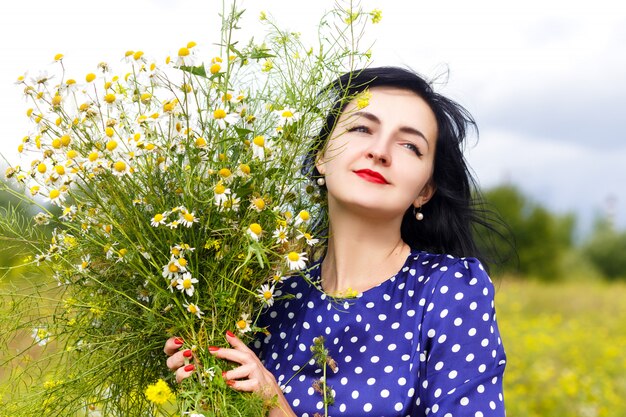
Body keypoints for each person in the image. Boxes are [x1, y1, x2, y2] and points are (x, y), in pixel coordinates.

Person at [164, 66, 507, 417]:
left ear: (425, 190)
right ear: (321, 156)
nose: (380, 150)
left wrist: (273, 406)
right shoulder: (272, 301)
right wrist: (208, 379)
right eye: (361, 128)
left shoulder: (447, 289)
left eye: (409, 145)